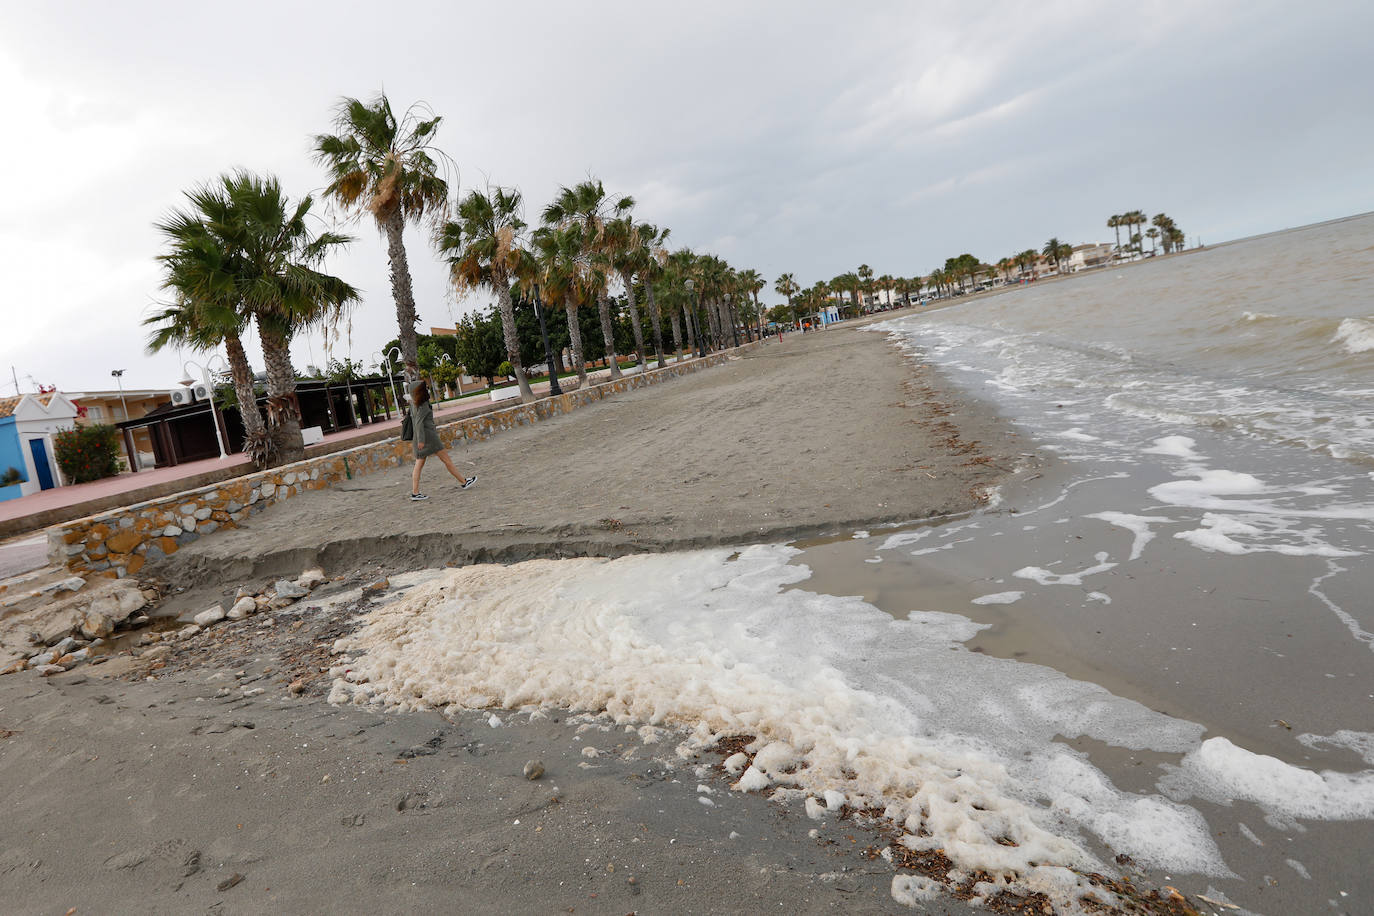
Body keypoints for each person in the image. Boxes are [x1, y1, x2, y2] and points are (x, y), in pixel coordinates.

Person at [407, 381, 475, 501]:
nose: (427, 388)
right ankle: (464, 482)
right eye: (425, 387)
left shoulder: (414, 403)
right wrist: (421, 441)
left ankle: (415, 492)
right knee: (446, 460)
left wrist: (420, 440)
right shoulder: (422, 404)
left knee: (419, 464)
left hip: (422, 438)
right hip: (429, 438)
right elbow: (418, 424)